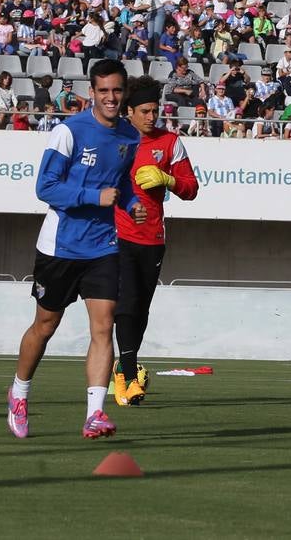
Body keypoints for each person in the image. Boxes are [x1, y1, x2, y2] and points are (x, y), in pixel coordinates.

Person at [7, 60, 140, 440]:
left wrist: (130, 204)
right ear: (92, 93)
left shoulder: (129, 137)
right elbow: (45, 189)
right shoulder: (69, 132)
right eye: (103, 91)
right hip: (60, 245)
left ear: (123, 91)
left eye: (117, 90)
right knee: (45, 326)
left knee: (103, 325)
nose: (111, 98)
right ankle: (19, 392)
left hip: (103, 246)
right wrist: (93, 196)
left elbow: (123, 186)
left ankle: (95, 413)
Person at [110, 77, 200, 407]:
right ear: (129, 112)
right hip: (117, 236)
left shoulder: (171, 142)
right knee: (126, 304)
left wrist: (168, 179)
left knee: (141, 310)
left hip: (153, 239)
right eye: (145, 111)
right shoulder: (115, 140)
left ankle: (125, 366)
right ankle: (128, 377)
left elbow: (191, 189)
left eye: (156, 111)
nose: (152, 117)